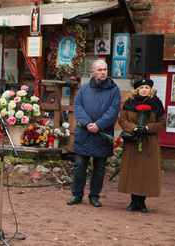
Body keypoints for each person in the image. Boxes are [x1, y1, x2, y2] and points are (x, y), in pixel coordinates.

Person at [67, 60, 121, 207]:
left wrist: (98, 125)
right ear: (93, 72)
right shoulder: (83, 89)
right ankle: (77, 195)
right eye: (100, 70)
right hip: (84, 134)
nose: (103, 72)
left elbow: (113, 111)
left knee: (99, 168)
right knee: (79, 166)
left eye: (105, 69)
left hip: (102, 135)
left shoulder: (114, 91)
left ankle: (94, 196)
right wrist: (87, 123)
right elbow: (77, 107)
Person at [118, 78, 166, 213]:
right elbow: (123, 120)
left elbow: (162, 123)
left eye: (146, 88)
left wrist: (147, 127)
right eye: (141, 88)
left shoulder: (156, 104)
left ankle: (142, 202)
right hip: (133, 142)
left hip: (149, 142)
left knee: (145, 172)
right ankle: (133, 202)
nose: (144, 90)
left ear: (150, 90)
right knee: (133, 171)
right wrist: (133, 128)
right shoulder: (129, 103)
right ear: (137, 90)